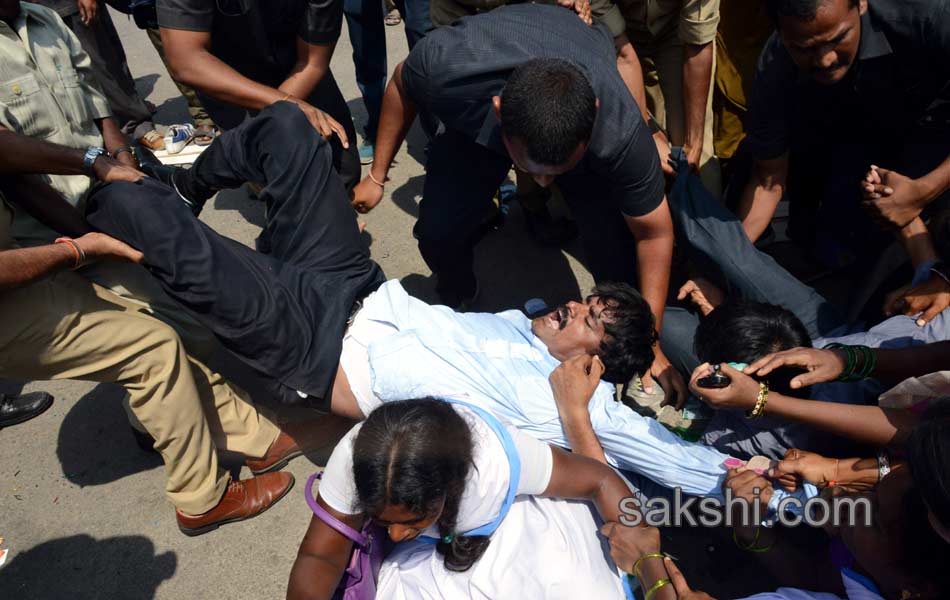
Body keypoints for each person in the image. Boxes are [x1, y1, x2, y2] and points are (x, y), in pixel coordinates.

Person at [86, 107, 815, 513]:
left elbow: (690, 471)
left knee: (130, 207)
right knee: (286, 130)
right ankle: (184, 185)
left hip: (321, 342)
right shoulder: (525, 320)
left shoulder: (570, 402)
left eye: (586, 319)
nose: (570, 306)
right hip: (354, 282)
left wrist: (808, 477)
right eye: (586, 300)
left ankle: (107, 197)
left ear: (591, 366)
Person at [350, 5, 685, 401]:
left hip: (571, 101)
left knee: (613, 244)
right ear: (498, 110)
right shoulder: (447, 66)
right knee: (438, 232)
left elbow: (654, 233)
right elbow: (402, 85)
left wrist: (649, 340)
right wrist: (377, 176)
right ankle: (459, 290)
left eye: (556, 168)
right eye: (531, 168)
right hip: (488, 109)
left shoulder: (620, 132)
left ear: (592, 116)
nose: (543, 182)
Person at [0, 183, 346, 535]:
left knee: (154, 333)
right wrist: (75, 250)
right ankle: (201, 499)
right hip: (10, 293)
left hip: (24, 265)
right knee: (151, 349)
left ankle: (261, 440)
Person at [287, 398, 675, 599]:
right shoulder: (356, 456)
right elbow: (320, 554)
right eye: (385, 522)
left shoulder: (496, 460)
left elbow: (600, 481)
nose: (396, 536)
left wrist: (652, 572)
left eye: (412, 520)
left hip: (511, 529)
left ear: (452, 487)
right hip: (444, 554)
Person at [0, 0, 216, 358]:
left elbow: (98, 106)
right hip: (57, 226)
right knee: (178, 329)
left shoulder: (47, 19)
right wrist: (93, 235)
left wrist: (123, 161)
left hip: (113, 196)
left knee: (202, 281)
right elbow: (14, 174)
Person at [737, 0, 950, 271]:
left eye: (838, 39)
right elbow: (768, 181)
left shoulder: (929, 14)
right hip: (859, 135)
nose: (825, 60)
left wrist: (924, 191)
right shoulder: (775, 65)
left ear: (861, 4)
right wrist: (727, 262)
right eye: (805, 49)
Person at [155, 0, 361, 189]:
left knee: (342, 166)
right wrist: (278, 114)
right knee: (269, 174)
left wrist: (281, 111)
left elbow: (312, 62)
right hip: (228, 83)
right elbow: (186, 60)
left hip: (301, 70)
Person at [615, 0, 722, 195]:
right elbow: (623, 56)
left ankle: (705, 220)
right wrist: (648, 131)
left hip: (676, 30)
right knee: (634, 146)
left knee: (698, 156)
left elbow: (698, 41)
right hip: (617, 36)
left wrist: (695, 143)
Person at [32, 0, 165, 149]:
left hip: (74, 6)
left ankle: (138, 127)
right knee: (51, 76)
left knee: (106, 67)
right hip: (27, 12)